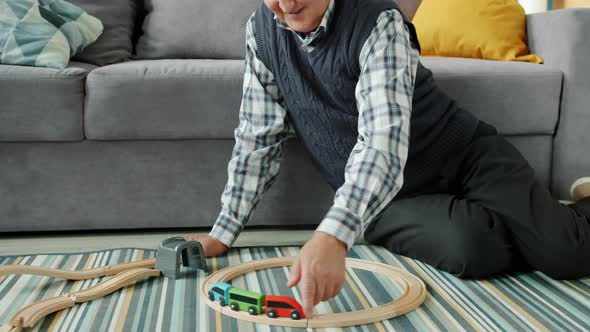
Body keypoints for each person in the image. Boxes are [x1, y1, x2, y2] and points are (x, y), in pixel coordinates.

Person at [187, 0, 590, 318]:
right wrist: (223, 232)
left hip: (465, 154)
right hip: (389, 200)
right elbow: (258, 136)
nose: (286, 4)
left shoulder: (379, 21)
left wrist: (332, 237)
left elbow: (382, 141)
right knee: (475, 250)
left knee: (567, 252)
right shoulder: (261, 32)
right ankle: (536, 226)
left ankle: (567, 215)